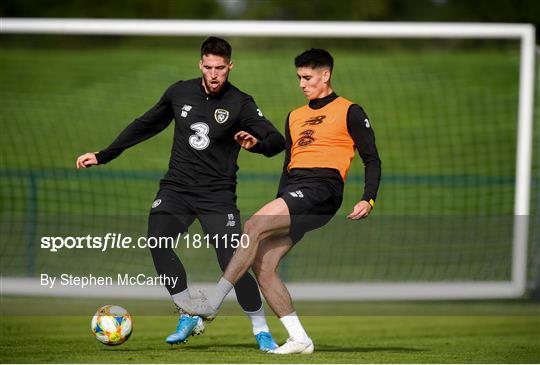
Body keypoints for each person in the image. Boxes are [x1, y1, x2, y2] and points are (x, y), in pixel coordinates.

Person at [75, 36, 284, 351]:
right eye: (209, 67)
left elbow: (276, 141)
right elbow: (145, 125)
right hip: (177, 189)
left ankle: (261, 330)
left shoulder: (240, 103)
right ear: (201, 64)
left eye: (221, 69)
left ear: (230, 67)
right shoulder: (180, 92)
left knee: (232, 260)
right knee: (158, 239)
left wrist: (258, 145)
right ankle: (188, 310)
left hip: (217, 195)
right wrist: (104, 154)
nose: (214, 75)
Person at [176, 48, 382, 354]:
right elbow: (288, 166)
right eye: (299, 77)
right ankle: (299, 338)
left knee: (254, 224)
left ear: (325, 75)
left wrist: (368, 199)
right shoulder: (295, 116)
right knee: (263, 264)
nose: (302, 83)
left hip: (323, 189)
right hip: (295, 193)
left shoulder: (350, 111)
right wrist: (277, 192)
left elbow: (372, 160)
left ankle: (212, 304)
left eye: (308, 77)